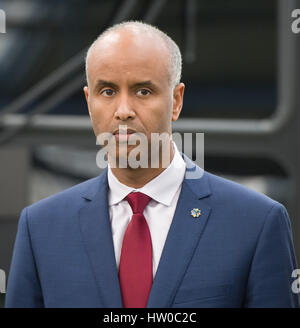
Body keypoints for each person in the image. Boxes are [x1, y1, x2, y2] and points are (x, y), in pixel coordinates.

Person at [5, 21, 300, 308]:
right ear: (88, 101)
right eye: (107, 91)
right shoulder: (41, 228)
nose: (123, 111)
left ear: (176, 100)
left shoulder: (256, 223)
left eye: (143, 91)